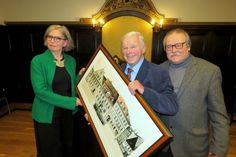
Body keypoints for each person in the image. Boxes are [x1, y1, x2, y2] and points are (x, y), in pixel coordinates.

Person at [159, 28, 229, 157]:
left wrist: (218, 149)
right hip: (162, 145)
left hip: (192, 146)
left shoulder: (209, 71)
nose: (174, 50)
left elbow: (218, 115)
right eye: (169, 47)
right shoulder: (158, 70)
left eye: (178, 45)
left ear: (189, 46)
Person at [30, 25, 82, 157]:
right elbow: (40, 92)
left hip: (67, 113)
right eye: (50, 37)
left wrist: (80, 76)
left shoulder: (71, 61)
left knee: (67, 147)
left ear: (65, 42)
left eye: (57, 38)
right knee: (50, 151)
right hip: (47, 113)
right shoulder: (38, 61)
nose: (52, 41)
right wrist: (72, 101)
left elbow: (70, 84)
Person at [120, 31, 178, 120]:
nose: (128, 51)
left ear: (143, 49)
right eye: (125, 48)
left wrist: (144, 91)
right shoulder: (117, 69)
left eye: (133, 47)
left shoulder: (159, 72)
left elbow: (171, 107)